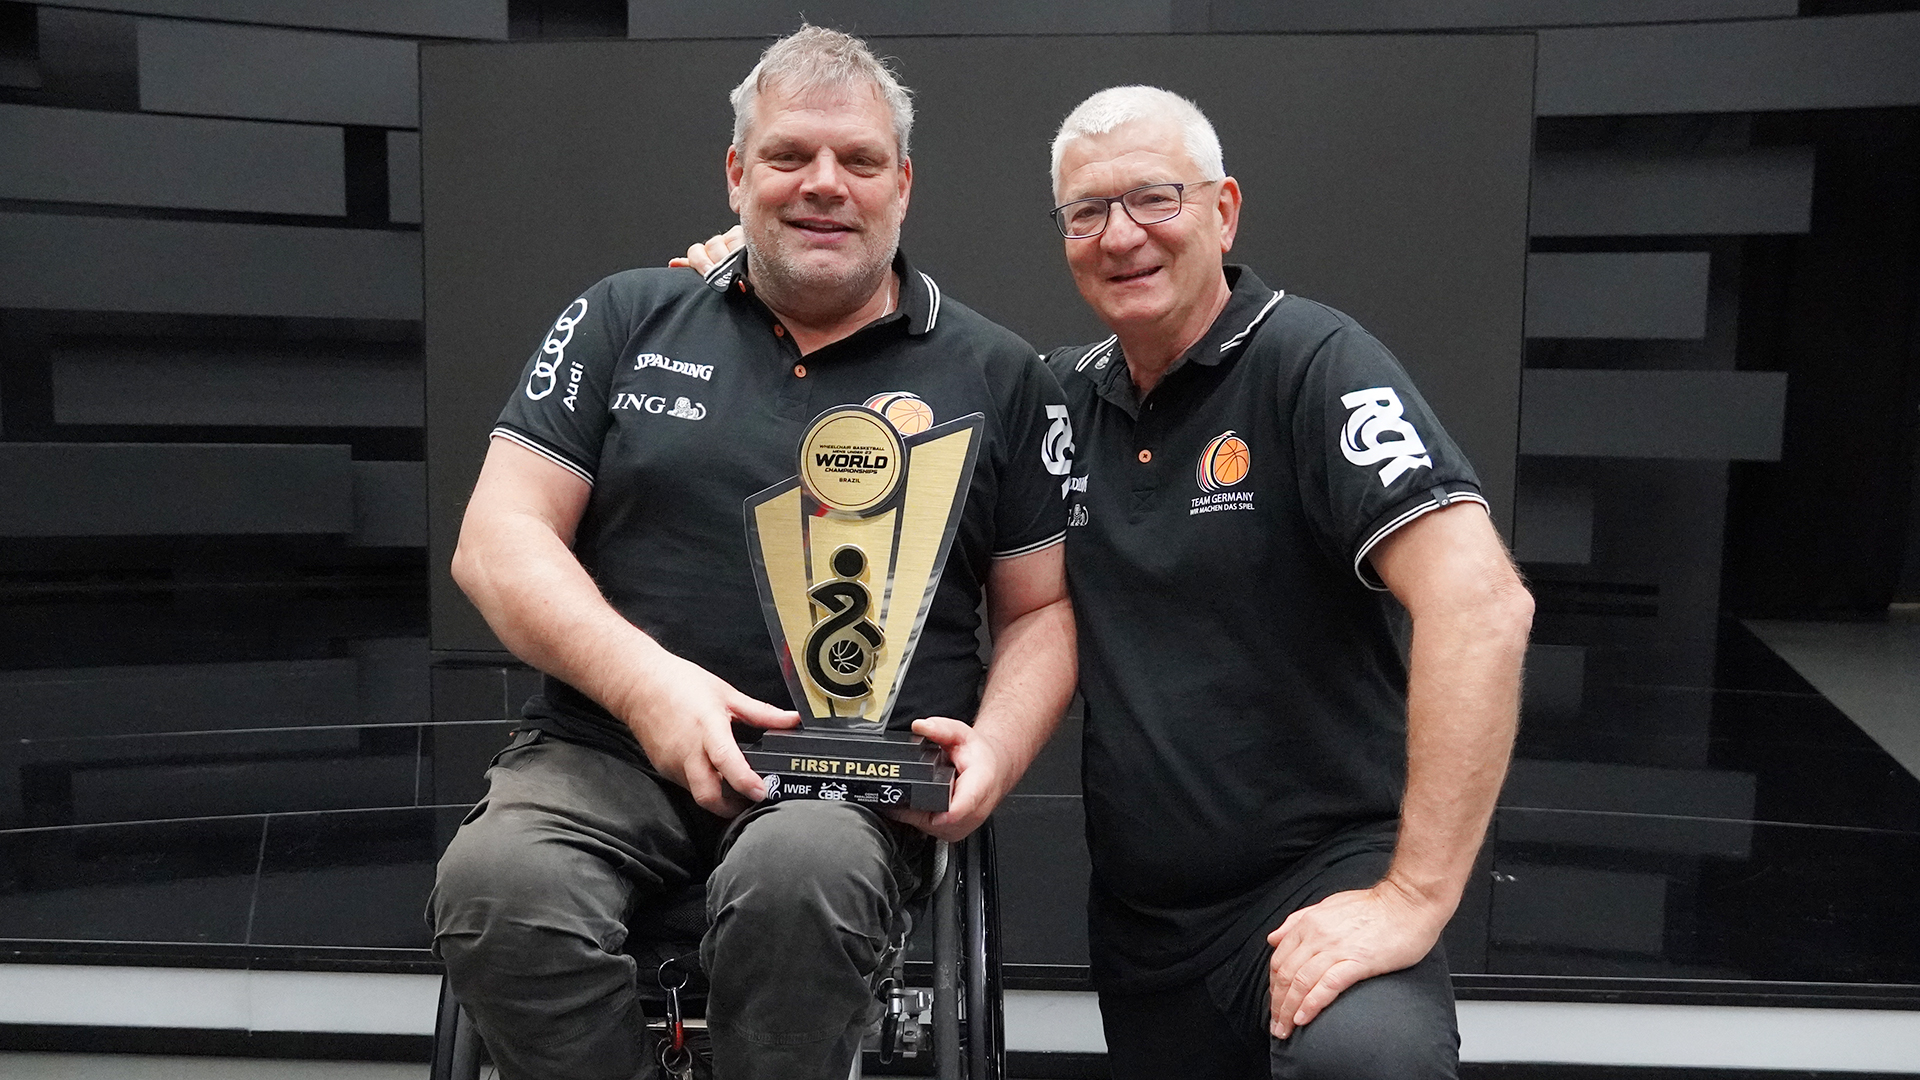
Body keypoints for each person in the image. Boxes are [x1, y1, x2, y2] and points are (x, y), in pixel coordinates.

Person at [682, 84, 1531, 1080]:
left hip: (1319, 887)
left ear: (1224, 211)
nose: (1121, 235)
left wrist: (1415, 899)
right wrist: (744, 285)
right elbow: (886, 387)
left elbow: (1482, 606)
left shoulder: (1315, 364)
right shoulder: (1058, 397)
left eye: (1155, 199)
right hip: (1146, 932)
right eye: (1088, 212)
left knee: (1364, 1064)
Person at [430, 27, 1077, 1080]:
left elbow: (1045, 610)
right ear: (738, 174)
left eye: (859, 161)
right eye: (789, 156)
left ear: (902, 185)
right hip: (601, 756)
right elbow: (498, 543)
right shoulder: (623, 316)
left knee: (800, 878)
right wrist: (651, 692)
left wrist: (996, 755)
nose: (825, 184)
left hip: (850, 782)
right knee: (496, 887)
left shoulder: (1000, 374)